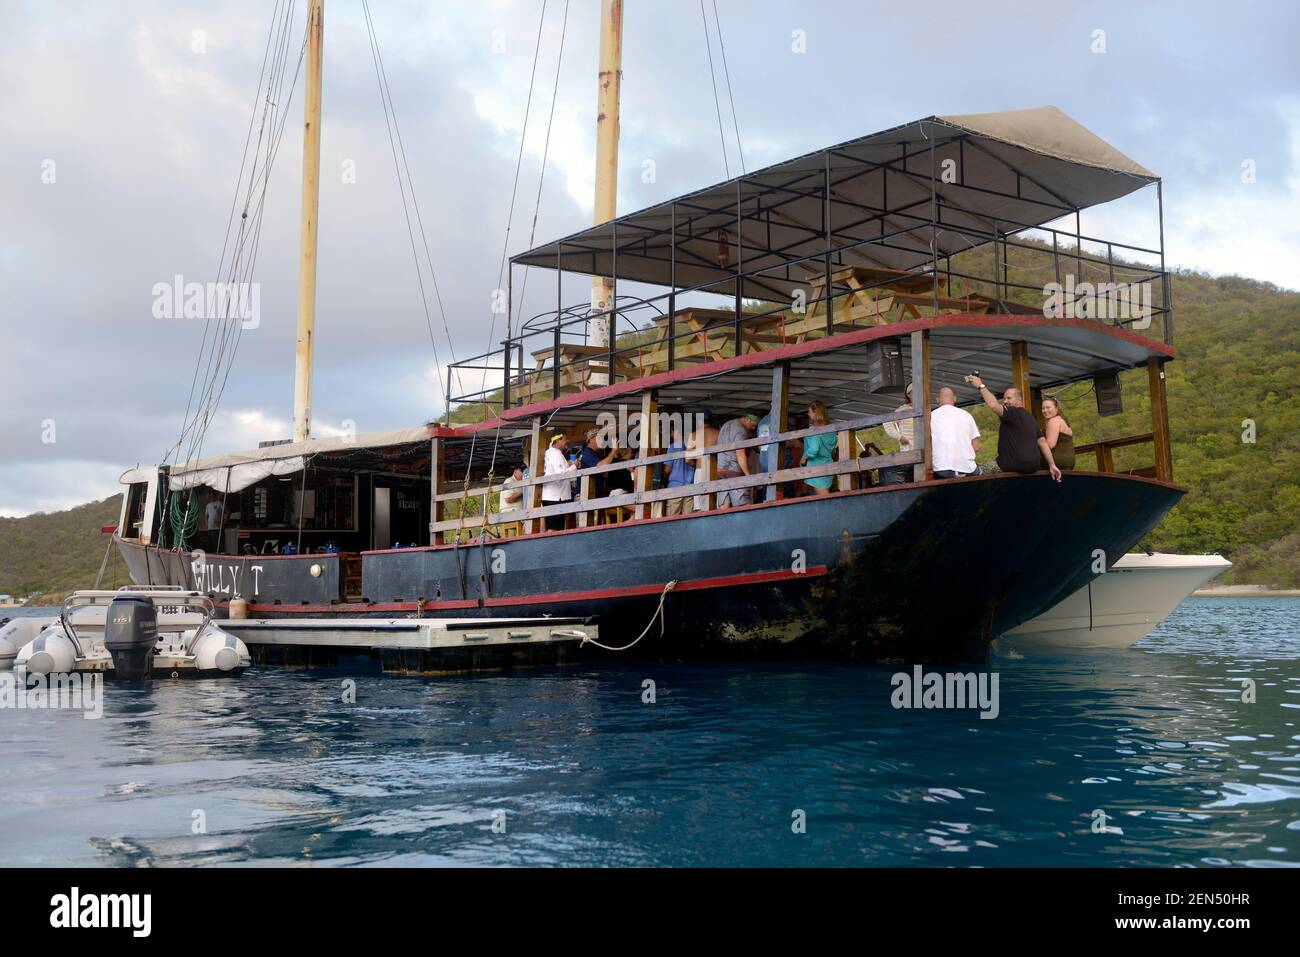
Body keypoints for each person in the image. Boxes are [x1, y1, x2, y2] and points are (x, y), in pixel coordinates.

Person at [968, 376, 1062, 481]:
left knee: (978, 470)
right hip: (1033, 466)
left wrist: (981, 386)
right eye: (1004, 399)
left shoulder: (1012, 413)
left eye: (1009, 398)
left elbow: (994, 405)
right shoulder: (1031, 418)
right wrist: (1052, 465)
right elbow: (1042, 442)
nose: (1005, 402)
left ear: (1019, 400)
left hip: (1011, 464)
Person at [930, 387, 981, 478]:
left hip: (940, 470)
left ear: (937, 400)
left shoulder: (930, 417)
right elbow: (976, 447)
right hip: (967, 470)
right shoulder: (967, 415)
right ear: (955, 399)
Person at [716, 412, 760, 507]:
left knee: (724, 504)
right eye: (753, 425)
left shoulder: (726, 424)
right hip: (734, 470)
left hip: (720, 470)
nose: (753, 429)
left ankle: (723, 522)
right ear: (747, 419)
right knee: (743, 504)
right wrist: (748, 475)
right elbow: (740, 453)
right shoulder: (741, 431)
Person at [879, 382, 915, 486]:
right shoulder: (903, 409)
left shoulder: (924, 408)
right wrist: (900, 437)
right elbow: (886, 422)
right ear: (908, 395)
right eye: (914, 392)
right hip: (909, 451)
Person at [541, 432, 577, 529]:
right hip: (556, 497)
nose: (567, 442)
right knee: (554, 528)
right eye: (564, 439)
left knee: (553, 526)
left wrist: (569, 464)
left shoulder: (548, 453)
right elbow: (560, 475)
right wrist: (574, 466)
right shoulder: (556, 454)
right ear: (557, 441)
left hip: (549, 495)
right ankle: (553, 544)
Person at [800, 400, 837, 496]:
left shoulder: (813, 430)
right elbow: (833, 448)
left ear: (815, 413)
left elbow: (814, 449)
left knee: (824, 498)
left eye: (809, 412)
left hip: (815, 468)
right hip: (828, 464)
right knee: (820, 497)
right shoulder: (831, 429)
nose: (808, 414)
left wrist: (804, 459)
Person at [686, 416, 721, 511]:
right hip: (715, 470)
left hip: (700, 469)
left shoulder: (693, 435)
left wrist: (697, 465)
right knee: (715, 502)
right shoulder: (718, 433)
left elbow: (688, 460)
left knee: (699, 506)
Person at [663, 421, 696, 515]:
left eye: (672, 432)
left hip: (675, 488)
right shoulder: (691, 446)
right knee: (688, 521)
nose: (671, 435)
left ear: (676, 432)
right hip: (690, 487)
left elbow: (667, 469)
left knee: (672, 522)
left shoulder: (673, 447)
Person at [578, 427, 619, 498]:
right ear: (591, 439)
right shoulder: (587, 453)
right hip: (586, 496)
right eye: (599, 438)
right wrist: (614, 450)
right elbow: (602, 466)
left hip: (593, 494)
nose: (602, 441)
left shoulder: (594, 453)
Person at [1041, 396, 1076, 470]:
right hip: (1068, 461)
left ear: (1056, 408)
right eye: (1043, 408)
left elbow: (1050, 445)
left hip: (1058, 462)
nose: (1045, 410)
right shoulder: (1062, 420)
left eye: (1048, 407)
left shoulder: (1053, 421)